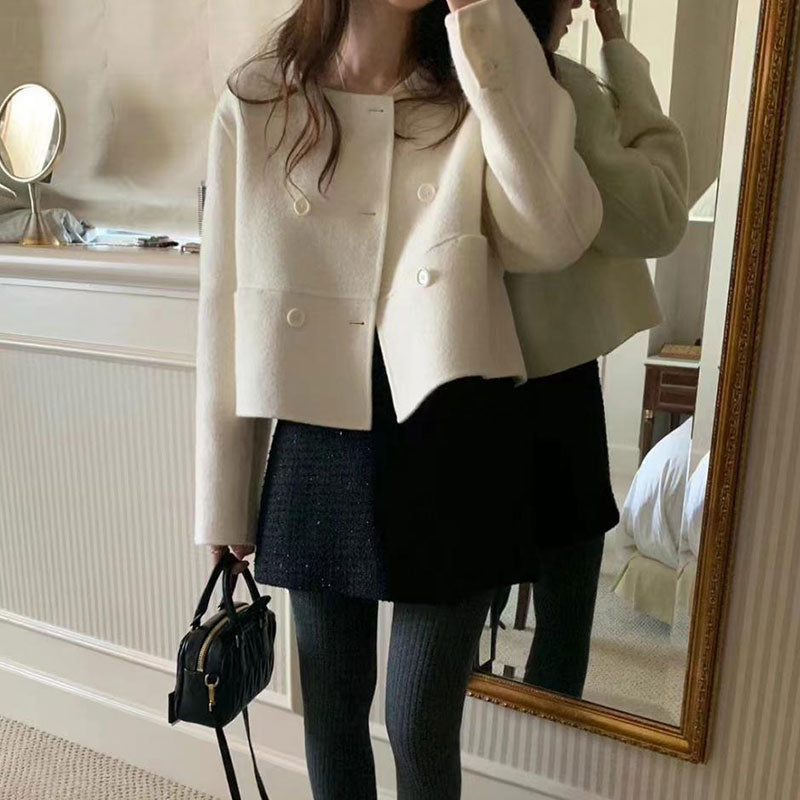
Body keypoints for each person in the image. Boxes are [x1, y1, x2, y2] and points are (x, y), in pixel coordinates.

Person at [193, 0, 603, 797]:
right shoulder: (258, 99)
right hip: (318, 432)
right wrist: (224, 498)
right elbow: (222, 308)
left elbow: (556, 233)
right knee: (332, 712)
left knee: (420, 723)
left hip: (456, 427)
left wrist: (486, 29)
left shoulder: (476, 79)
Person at [488, 0, 690, 698]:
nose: (577, 3)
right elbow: (660, 214)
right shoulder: (558, 96)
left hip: (450, 379)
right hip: (550, 385)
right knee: (567, 604)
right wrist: (617, 45)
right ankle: (546, 739)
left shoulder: (430, 85)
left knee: (451, 612)